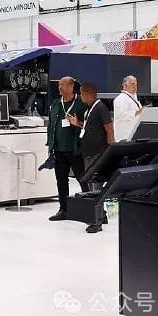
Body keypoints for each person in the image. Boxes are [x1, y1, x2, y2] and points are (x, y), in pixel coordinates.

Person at [68, 82, 115, 232]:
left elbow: (109, 128)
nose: (80, 96)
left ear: (88, 93)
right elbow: (90, 127)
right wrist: (77, 123)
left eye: (81, 93)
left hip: (97, 153)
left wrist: (111, 149)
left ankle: (96, 222)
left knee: (95, 188)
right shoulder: (91, 108)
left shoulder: (100, 108)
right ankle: (102, 215)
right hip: (89, 152)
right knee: (94, 186)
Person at [46, 76, 89, 221]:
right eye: (59, 85)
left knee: (83, 179)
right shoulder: (56, 103)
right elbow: (51, 125)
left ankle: (94, 210)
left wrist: (78, 123)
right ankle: (64, 210)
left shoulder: (82, 104)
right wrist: (50, 144)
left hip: (76, 149)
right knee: (61, 180)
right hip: (59, 150)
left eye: (63, 85)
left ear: (71, 86)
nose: (60, 87)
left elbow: (91, 126)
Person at [113, 76, 144, 142]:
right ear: (125, 85)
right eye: (133, 84)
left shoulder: (133, 98)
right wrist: (137, 112)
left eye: (136, 84)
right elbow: (121, 115)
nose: (135, 86)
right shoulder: (121, 98)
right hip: (124, 137)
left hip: (132, 135)